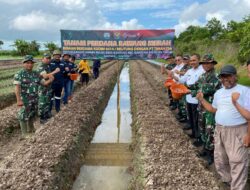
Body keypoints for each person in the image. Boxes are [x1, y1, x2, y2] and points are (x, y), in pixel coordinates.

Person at [197, 65, 249, 190]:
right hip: (220, 130)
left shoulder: (245, 91)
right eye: (223, 76)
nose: (225, 79)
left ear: (235, 76)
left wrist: (248, 135)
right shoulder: (218, 93)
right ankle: (227, 180)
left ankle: (237, 187)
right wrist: (202, 100)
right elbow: (214, 109)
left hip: (238, 130)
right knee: (220, 159)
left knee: (237, 161)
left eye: (228, 76)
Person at [190, 54, 221, 164]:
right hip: (201, 107)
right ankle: (205, 148)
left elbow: (205, 90)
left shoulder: (216, 77)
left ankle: (211, 154)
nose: (206, 65)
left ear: (213, 64)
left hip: (210, 109)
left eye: (208, 63)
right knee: (202, 128)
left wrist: (194, 92)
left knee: (210, 131)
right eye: (204, 63)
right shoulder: (203, 76)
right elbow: (195, 86)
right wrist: (186, 87)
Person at [14, 55, 53, 138]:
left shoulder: (36, 73)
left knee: (32, 113)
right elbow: (17, 88)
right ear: (23, 63)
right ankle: (24, 134)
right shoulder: (19, 74)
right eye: (27, 63)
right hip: (25, 99)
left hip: (35, 98)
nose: (30, 65)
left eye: (31, 63)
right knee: (23, 115)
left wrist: (50, 80)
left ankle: (31, 128)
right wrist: (19, 100)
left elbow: (44, 83)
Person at [172, 54, 205, 145]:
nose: (192, 62)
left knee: (197, 119)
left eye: (194, 60)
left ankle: (199, 139)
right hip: (188, 97)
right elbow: (182, 80)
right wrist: (173, 76)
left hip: (197, 100)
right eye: (191, 61)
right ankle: (194, 133)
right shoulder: (189, 71)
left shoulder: (202, 71)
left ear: (199, 60)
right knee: (191, 117)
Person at [36, 53, 59, 124]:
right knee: (42, 103)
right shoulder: (40, 66)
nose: (48, 60)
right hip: (42, 88)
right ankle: (42, 118)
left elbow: (48, 75)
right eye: (46, 58)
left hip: (48, 88)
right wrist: (55, 71)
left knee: (47, 102)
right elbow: (45, 76)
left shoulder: (47, 66)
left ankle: (46, 114)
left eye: (49, 58)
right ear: (42, 59)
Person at [175, 54, 191, 122]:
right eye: (184, 59)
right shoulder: (184, 66)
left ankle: (185, 118)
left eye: (186, 59)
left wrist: (179, 72)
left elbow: (185, 74)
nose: (185, 60)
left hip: (187, 87)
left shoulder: (190, 67)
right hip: (182, 85)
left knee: (185, 103)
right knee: (181, 102)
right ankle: (183, 115)